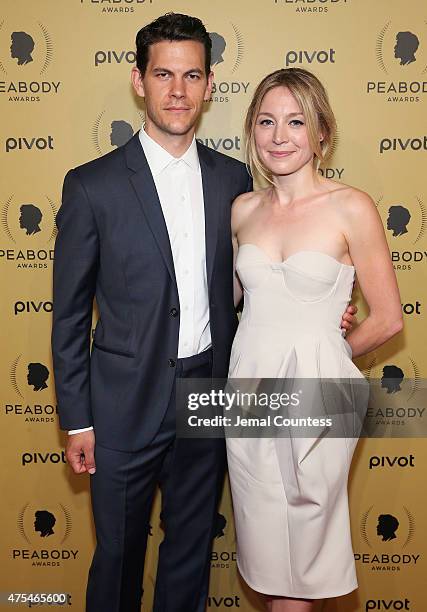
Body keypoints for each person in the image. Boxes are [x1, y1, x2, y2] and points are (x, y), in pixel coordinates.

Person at [51, 13, 356, 611]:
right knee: (116, 556)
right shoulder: (92, 187)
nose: (177, 91)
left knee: (189, 553)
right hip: (121, 402)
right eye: (163, 74)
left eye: (191, 75)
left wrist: (319, 317)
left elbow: (256, 282)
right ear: (138, 81)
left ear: (210, 84)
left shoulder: (235, 183)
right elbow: (67, 316)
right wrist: (77, 419)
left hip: (210, 390)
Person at [226, 67, 403, 612]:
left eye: (296, 122)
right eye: (267, 121)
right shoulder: (242, 211)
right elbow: (233, 305)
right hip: (250, 387)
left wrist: (327, 353)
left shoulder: (351, 206)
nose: (280, 136)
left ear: (321, 131)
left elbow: (390, 318)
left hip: (320, 394)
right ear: (252, 131)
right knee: (266, 553)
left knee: (308, 551)